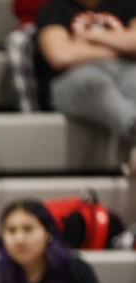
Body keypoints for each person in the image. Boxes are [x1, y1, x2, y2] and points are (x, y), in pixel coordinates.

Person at [33, 0, 136, 173]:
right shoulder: (54, 9)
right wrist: (121, 47)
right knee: (95, 84)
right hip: (72, 78)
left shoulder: (128, 4)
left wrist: (93, 36)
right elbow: (60, 55)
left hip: (125, 71)